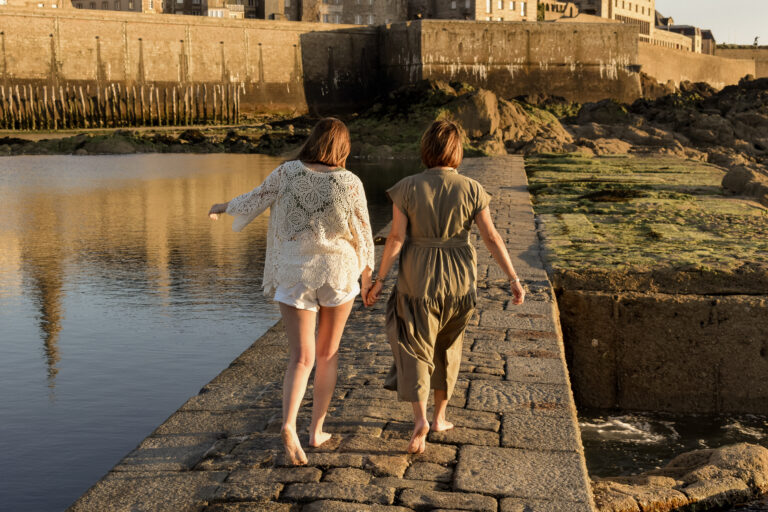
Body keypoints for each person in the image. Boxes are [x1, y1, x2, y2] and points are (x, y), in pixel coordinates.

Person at [209, 118, 374, 465]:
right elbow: (363, 233)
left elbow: (256, 198)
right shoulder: (350, 182)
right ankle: (316, 431)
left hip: (294, 271)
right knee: (328, 354)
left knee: (301, 358)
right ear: (343, 148)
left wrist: (223, 207)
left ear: (313, 141)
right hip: (337, 272)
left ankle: (288, 423)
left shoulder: (287, 173)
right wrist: (368, 274)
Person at [365, 120, 525, 454]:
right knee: (448, 347)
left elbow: (395, 238)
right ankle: (439, 418)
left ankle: (420, 419)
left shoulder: (406, 187)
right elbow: (491, 237)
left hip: (417, 280)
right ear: (456, 152)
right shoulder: (472, 189)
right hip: (460, 280)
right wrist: (513, 278)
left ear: (426, 149)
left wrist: (379, 280)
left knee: (414, 346)